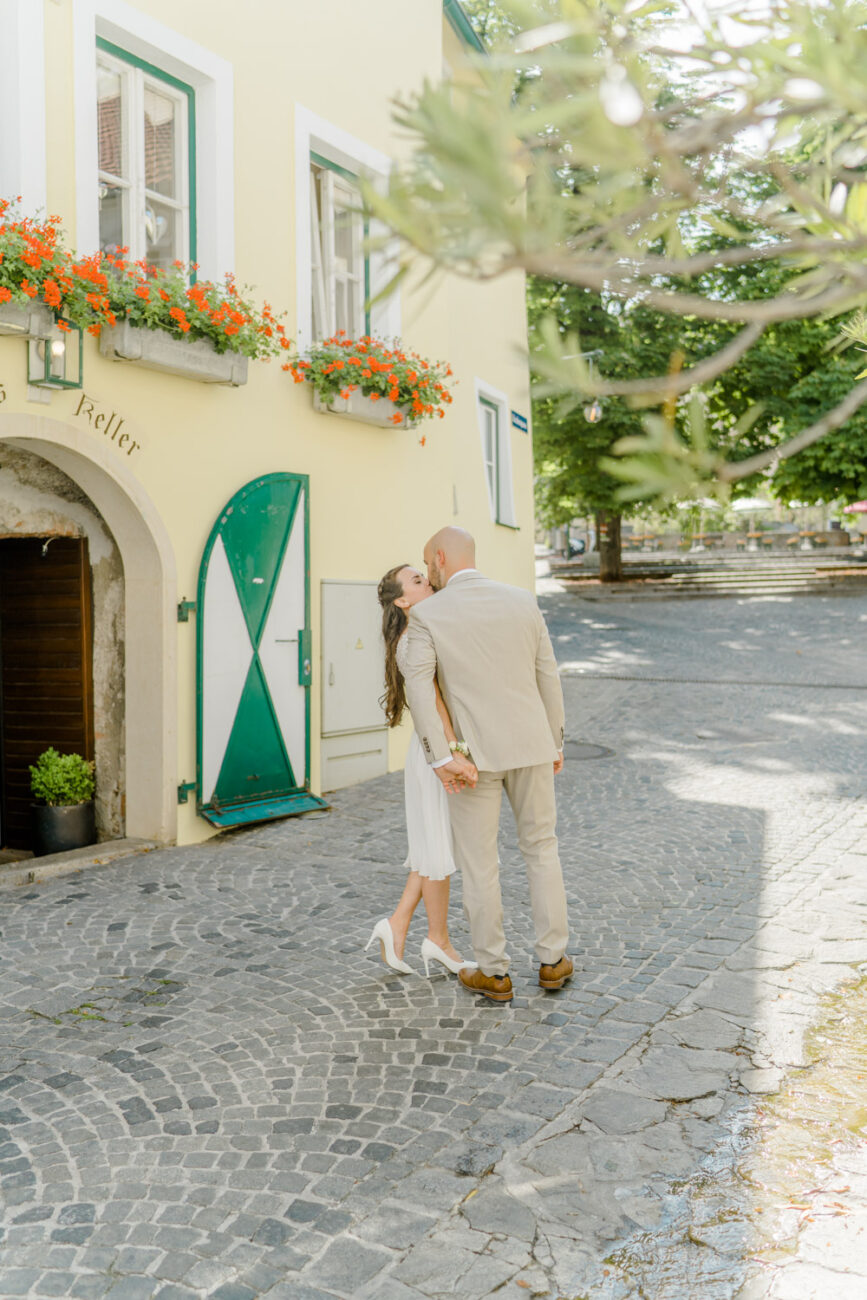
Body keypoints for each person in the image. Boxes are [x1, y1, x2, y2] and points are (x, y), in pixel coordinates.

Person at [401, 527, 571, 1003]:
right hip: (532, 745)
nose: (429, 572)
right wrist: (554, 741)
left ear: (438, 558)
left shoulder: (428, 613)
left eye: (427, 563)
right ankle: (553, 961)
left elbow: (418, 688)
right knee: (542, 847)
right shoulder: (522, 600)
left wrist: (441, 756)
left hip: (471, 757)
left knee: (479, 864)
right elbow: (547, 676)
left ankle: (494, 972)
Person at [365, 564, 479, 978]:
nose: (426, 581)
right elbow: (432, 704)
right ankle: (438, 940)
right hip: (437, 752)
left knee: (433, 847)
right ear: (402, 600)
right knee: (436, 853)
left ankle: (398, 926)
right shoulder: (412, 638)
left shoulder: (421, 631)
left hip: (435, 750)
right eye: (416, 581)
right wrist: (455, 754)